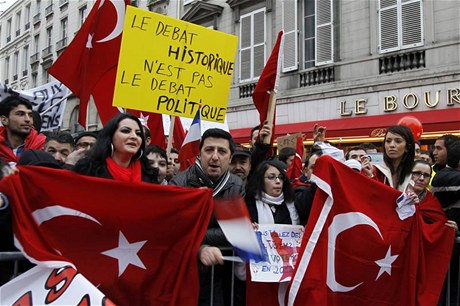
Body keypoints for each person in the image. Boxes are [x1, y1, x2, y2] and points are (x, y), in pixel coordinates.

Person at [169, 128, 244, 306]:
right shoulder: (179, 184)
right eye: (209, 150)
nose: (215, 157)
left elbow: (235, 234)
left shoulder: (236, 185)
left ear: (230, 158)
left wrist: (195, 236)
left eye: (222, 151)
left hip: (218, 277)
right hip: (183, 274)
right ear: (200, 153)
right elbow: (172, 232)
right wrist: (200, 248)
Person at [244, 160, 301, 305]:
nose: (277, 181)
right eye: (271, 177)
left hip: (287, 274)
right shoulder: (249, 203)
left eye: (280, 177)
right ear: (261, 181)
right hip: (260, 276)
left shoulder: (292, 204)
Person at [73, 113, 157, 183]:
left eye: (138, 134)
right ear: (111, 136)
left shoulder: (149, 174)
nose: (134, 136)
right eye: (126, 131)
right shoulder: (88, 168)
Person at [0, 96, 46, 164]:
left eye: (30, 115)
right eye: (20, 114)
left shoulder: (44, 145)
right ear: (4, 120)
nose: (27, 119)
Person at [373, 125, 415, 191]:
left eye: (398, 141)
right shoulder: (375, 170)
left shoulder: (414, 173)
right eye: (388, 141)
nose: (392, 145)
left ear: (407, 147)